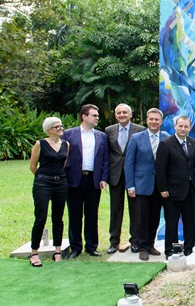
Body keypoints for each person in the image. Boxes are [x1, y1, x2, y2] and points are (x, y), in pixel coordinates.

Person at [62, 104, 109, 258]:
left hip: (93, 180)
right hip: (74, 179)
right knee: (74, 214)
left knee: (92, 214)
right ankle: (75, 247)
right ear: (84, 116)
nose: (97, 118)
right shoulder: (68, 134)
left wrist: (103, 178)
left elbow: (105, 160)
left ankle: (91, 246)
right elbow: (63, 157)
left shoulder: (101, 136)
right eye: (94, 115)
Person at [124, 108, 169, 261]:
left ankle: (151, 244)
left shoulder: (166, 137)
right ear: (147, 120)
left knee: (155, 217)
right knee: (141, 217)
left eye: (157, 119)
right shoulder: (136, 138)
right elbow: (129, 163)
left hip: (159, 186)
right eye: (151, 119)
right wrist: (130, 185)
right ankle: (142, 246)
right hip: (141, 184)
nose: (154, 122)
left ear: (161, 121)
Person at [28, 117, 69, 266]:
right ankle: (34, 253)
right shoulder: (40, 144)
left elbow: (63, 164)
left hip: (61, 183)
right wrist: (43, 178)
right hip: (43, 183)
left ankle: (57, 250)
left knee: (58, 218)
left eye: (61, 126)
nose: (60, 128)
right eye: (56, 127)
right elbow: (33, 166)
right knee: (41, 217)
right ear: (49, 130)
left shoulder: (66, 144)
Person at [105, 103, 145, 254]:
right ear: (115, 115)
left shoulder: (140, 130)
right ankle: (113, 242)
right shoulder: (109, 131)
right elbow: (106, 154)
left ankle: (135, 241)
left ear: (130, 115)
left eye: (124, 112)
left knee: (135, 210)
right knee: (115, 210)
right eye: (119, 113)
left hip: (133, 176)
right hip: (115, 175)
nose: (121, 115)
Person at [156, 115, 195, 258]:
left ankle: (189, 248)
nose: (183, 129)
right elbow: (160, 169)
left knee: (190, 222)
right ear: (175, 127)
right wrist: (162, 188)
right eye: (180, 126)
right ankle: (170, 250)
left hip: (190, 191)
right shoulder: (166, 144)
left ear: (189, 128)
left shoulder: (193, 143)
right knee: (172, 223)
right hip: (171, 192)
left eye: (186, 126)